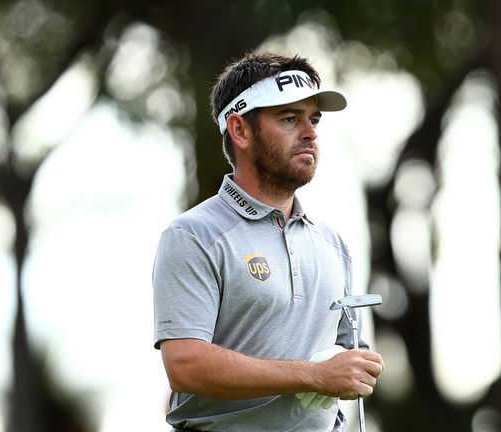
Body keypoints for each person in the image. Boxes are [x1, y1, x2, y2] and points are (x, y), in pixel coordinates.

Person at [152, 51, 385, 431]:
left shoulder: (333, 243)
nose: (309, 132)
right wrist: (313, 375)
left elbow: (346, 356)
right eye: (289, 118)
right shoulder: (193, 235)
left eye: (313, 120)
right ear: (240, 130)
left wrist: (357, 367)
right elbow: (185, 365)